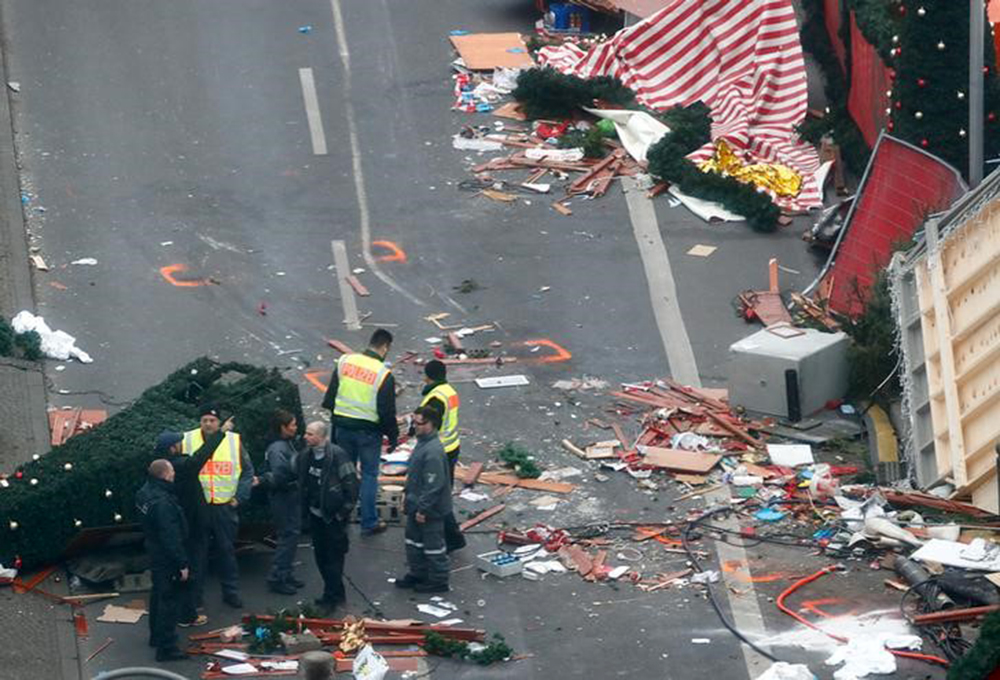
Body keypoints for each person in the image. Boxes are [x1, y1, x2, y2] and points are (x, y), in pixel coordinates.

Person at [321, 328, 398, 536]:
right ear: (385, 347)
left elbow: (330, 397)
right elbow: (386, 412)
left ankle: (341, 515)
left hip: (342, 427)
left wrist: (337, 419)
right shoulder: (383, 375)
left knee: (343, 472)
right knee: (369, 475)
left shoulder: (346, 361)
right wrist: (392, 436)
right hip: (368, 432)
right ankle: (369, 521)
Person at [181, 403, 255, 609]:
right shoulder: (188, 439)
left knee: (227, 551)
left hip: (224, 507)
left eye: (212, 420)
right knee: (198, 554)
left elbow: (248, 472)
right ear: (199, 422)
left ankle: (230, 593)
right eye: (204, 420)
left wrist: (239, 497)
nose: (208, 424)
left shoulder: (234, 441)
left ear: (219, 422)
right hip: (199, 508)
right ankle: (196, 599)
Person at [160, 428, 221, 627]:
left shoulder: (162, 466)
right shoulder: (181, 466)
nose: (182, 444)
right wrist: (219, 434)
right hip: (192, 523)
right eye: (178, 442)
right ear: (172, 448)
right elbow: (199, 459)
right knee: (194, 565)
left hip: (184, 524)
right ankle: (189, 610)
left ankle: (187, 606)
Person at [298, 421, 359, 611]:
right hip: (316, 516)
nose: (305, 437)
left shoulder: (338, 456)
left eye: (310, 434)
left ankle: (331, 598)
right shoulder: (306, 456)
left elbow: (352, 487)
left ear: (322, 437)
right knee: (321, 556)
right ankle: (334, 593)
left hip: (332, 519)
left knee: (333, 558)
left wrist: (341, 515)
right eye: (306, 434)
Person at [135, 458, 190, 662]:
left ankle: (156, 637)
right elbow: (171, 536)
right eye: (172, 471)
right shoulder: (163, 502)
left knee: (158, 594)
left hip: (154, 551)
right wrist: (182, 563)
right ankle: (167, 647)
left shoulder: (144, 493)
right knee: (168, 601)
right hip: (167, 557)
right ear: (165, 475)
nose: (175, 474)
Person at [396, 406, 452, 594]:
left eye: (420, 423)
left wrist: (423, 509)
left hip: (429, 509)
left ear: (432, 424)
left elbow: (434, 484)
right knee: (414, 542)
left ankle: (438, 580)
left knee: (433, 546)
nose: (416, 427)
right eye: (415, 423)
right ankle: (418, 573)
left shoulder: (433, 451)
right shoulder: (422, 443)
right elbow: (415, 476)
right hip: (415, 503)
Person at [418, 360, 466, 552]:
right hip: (452, 446)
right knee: (442, 492)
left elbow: (429, 424)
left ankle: (452, 537)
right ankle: (445, 534)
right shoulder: (449, 391)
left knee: (437, 494)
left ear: (427, 376)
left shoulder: (435, 398)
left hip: (439, 451)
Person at [259, 409, 302, 595]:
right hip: (283, 497)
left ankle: (286, 573)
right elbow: (279, 476)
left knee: (292, 535)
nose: (296, 427)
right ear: (283, 428)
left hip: (289, 496)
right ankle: (278, 577)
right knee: (287, 536)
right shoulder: (278, 449)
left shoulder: (286, 444)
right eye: (292, 425)